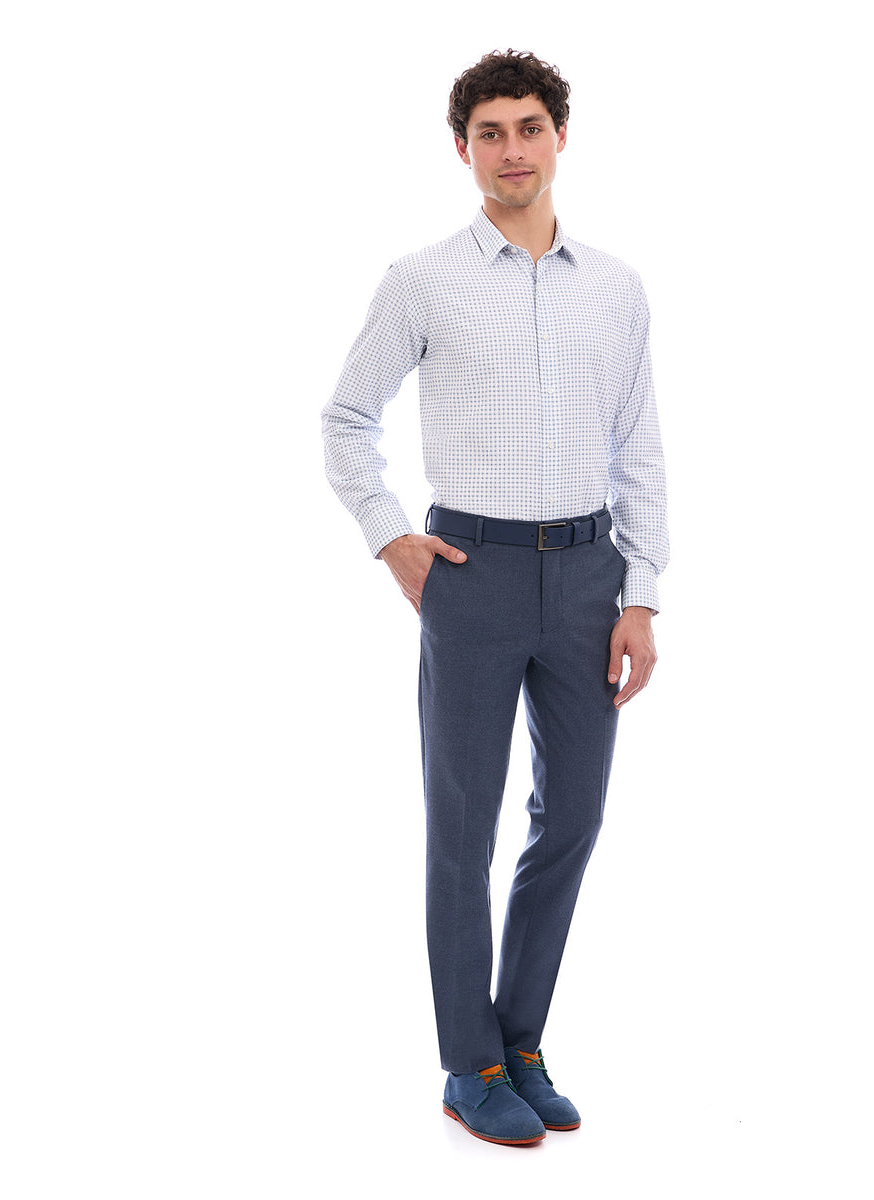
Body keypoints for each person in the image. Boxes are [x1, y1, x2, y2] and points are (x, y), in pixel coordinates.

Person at [321, 48, 669, 1146]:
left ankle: (520, 1041)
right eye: (489, 133)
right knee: (462, 825)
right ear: (463, 149)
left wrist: (641, 595)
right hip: (469, 575)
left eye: (529, 128)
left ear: (561, 136)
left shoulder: (616, 287)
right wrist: (394, 542)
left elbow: (638, 446)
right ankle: (467, 1062)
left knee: (574, 818)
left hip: (589, 578)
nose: (511, 150)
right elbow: (346, 418)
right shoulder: (422, 279)